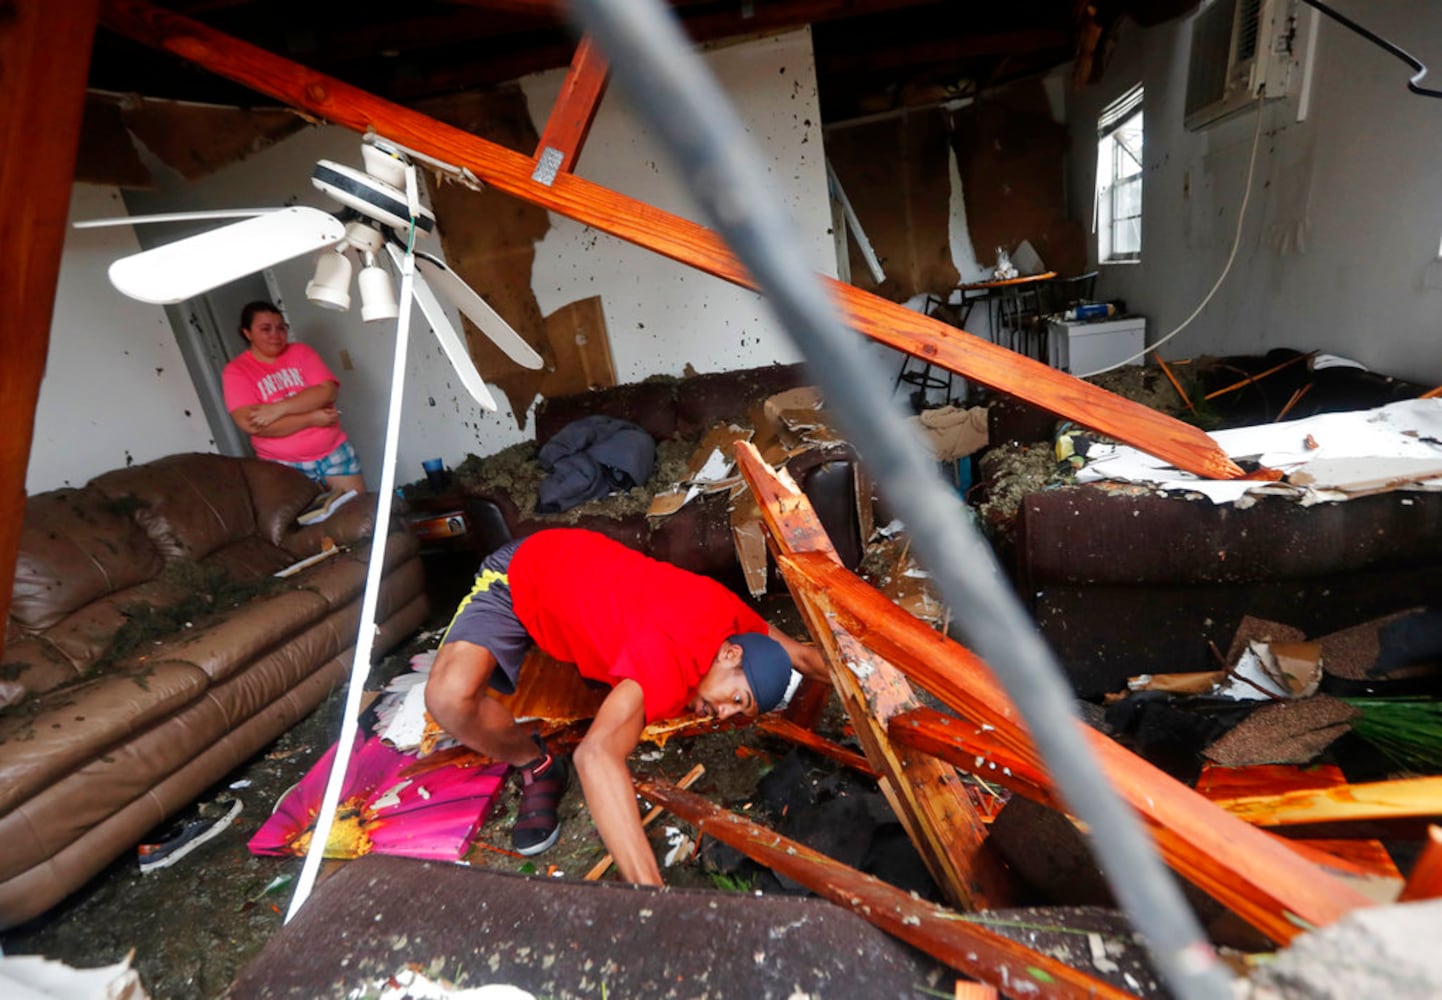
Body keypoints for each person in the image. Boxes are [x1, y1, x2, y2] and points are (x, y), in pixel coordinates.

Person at [425, 527, 827, 884]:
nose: (725, 714)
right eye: (737, 700)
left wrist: (882, 680)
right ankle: (535, 762)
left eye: (741, 713)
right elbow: (596, 755)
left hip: (580, 568)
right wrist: (651, 897)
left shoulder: (734, 622)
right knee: (448, 699)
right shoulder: (666, 668)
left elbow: (806, 658)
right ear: (730, 655)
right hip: (519, 574)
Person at [222, 301, 365, 496]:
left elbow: (327, 391)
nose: (275, 335)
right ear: (247, 333)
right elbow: (252, 424)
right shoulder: (236, 371)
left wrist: (277, 409)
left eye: (281, 328)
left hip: (333, 451)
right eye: (266, 329)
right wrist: (311, 418)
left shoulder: (301, 352)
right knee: (307, 524)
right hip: (281, 464)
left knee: (360, 515)